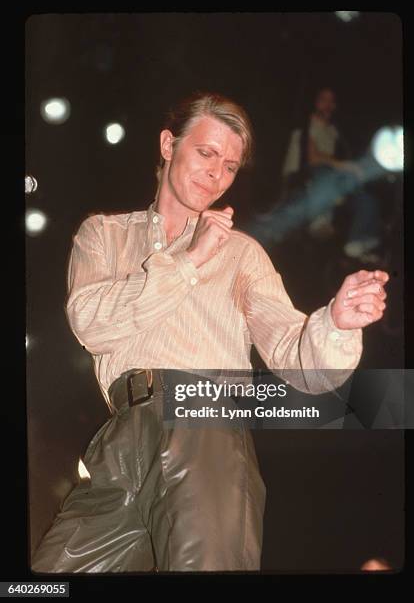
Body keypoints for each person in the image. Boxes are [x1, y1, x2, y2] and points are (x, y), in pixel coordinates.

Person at [31, 92, 388, 573]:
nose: (217, 173)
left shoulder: (241, 253)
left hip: (205, 420)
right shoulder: (104, 235)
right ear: (167, 144)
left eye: (231, 165)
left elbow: (295, 355)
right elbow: (91, 324)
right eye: (206, 153)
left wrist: (336, 323)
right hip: (119, 436)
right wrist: (190, 260)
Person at [251, 87, 382, 260]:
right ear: (315, 102)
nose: (327, 104)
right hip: (302, 175)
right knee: (326, 173)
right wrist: (344, 166)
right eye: (323, 99)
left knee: (364, 196)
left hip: (328, 180)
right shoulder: (306, 122)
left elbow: (341, 156)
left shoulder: (333, 131)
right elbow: (313, 158)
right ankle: (320, 221)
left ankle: (359, 240)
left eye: (331, 101)